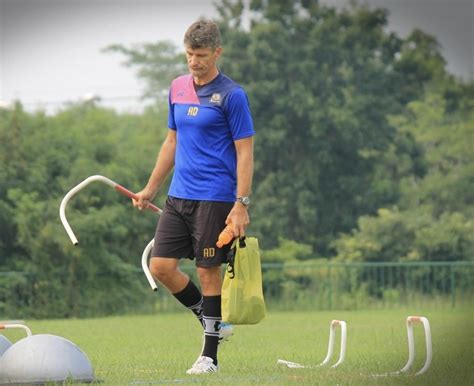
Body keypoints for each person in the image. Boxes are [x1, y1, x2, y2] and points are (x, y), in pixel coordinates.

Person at [133, 19, 255, 375]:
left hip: (215, 197)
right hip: (178, 195)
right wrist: (150, 188)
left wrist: (241, 204)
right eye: (189, 54)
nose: (194, 61)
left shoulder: (233, 95)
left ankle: (210, 356)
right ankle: (212, 319)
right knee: (161, 267)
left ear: (217, 52)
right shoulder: (177, 88)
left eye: (201, 55)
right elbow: (171, 142)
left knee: (207, 271)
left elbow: (245, 152)